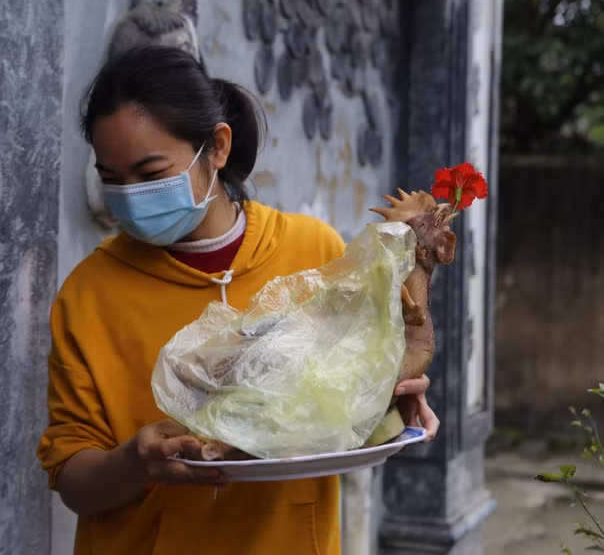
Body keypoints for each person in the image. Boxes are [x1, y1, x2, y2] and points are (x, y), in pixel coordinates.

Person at [37, 45, 439, 555]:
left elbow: (345, 399)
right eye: (111, 179)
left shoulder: (312, 252)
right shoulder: (89, 293)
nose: (130, 196)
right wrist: (134, 462)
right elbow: (74, 479)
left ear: (218, 147)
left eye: (151, 172)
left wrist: (388, 392)